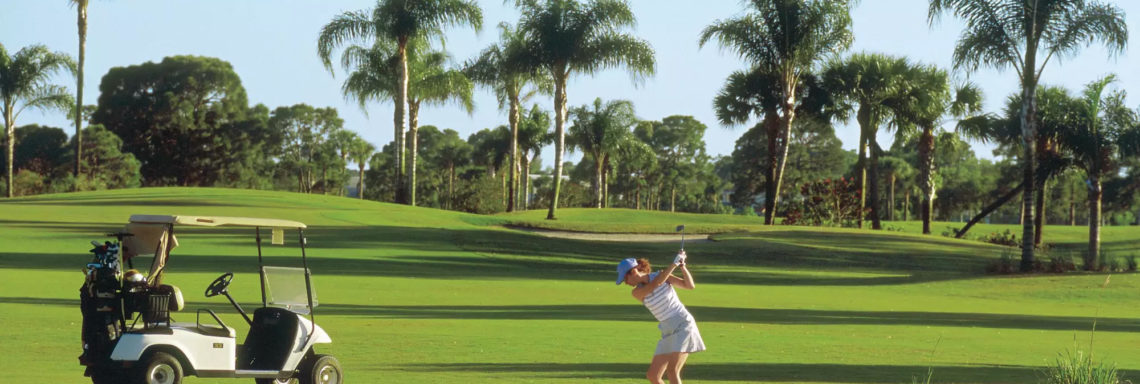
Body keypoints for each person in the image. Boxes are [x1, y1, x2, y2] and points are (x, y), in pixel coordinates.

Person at [616, 251, 705, 384]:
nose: (625, 283)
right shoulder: (637, 292)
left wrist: (681, 266)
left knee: (672, 370)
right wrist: (673, 264)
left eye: (625, 278)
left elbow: (689, 286)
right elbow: (654, 285)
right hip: (667, 330)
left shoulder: (662, 276)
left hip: (683, 324)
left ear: (633, 272)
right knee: (653, 375)